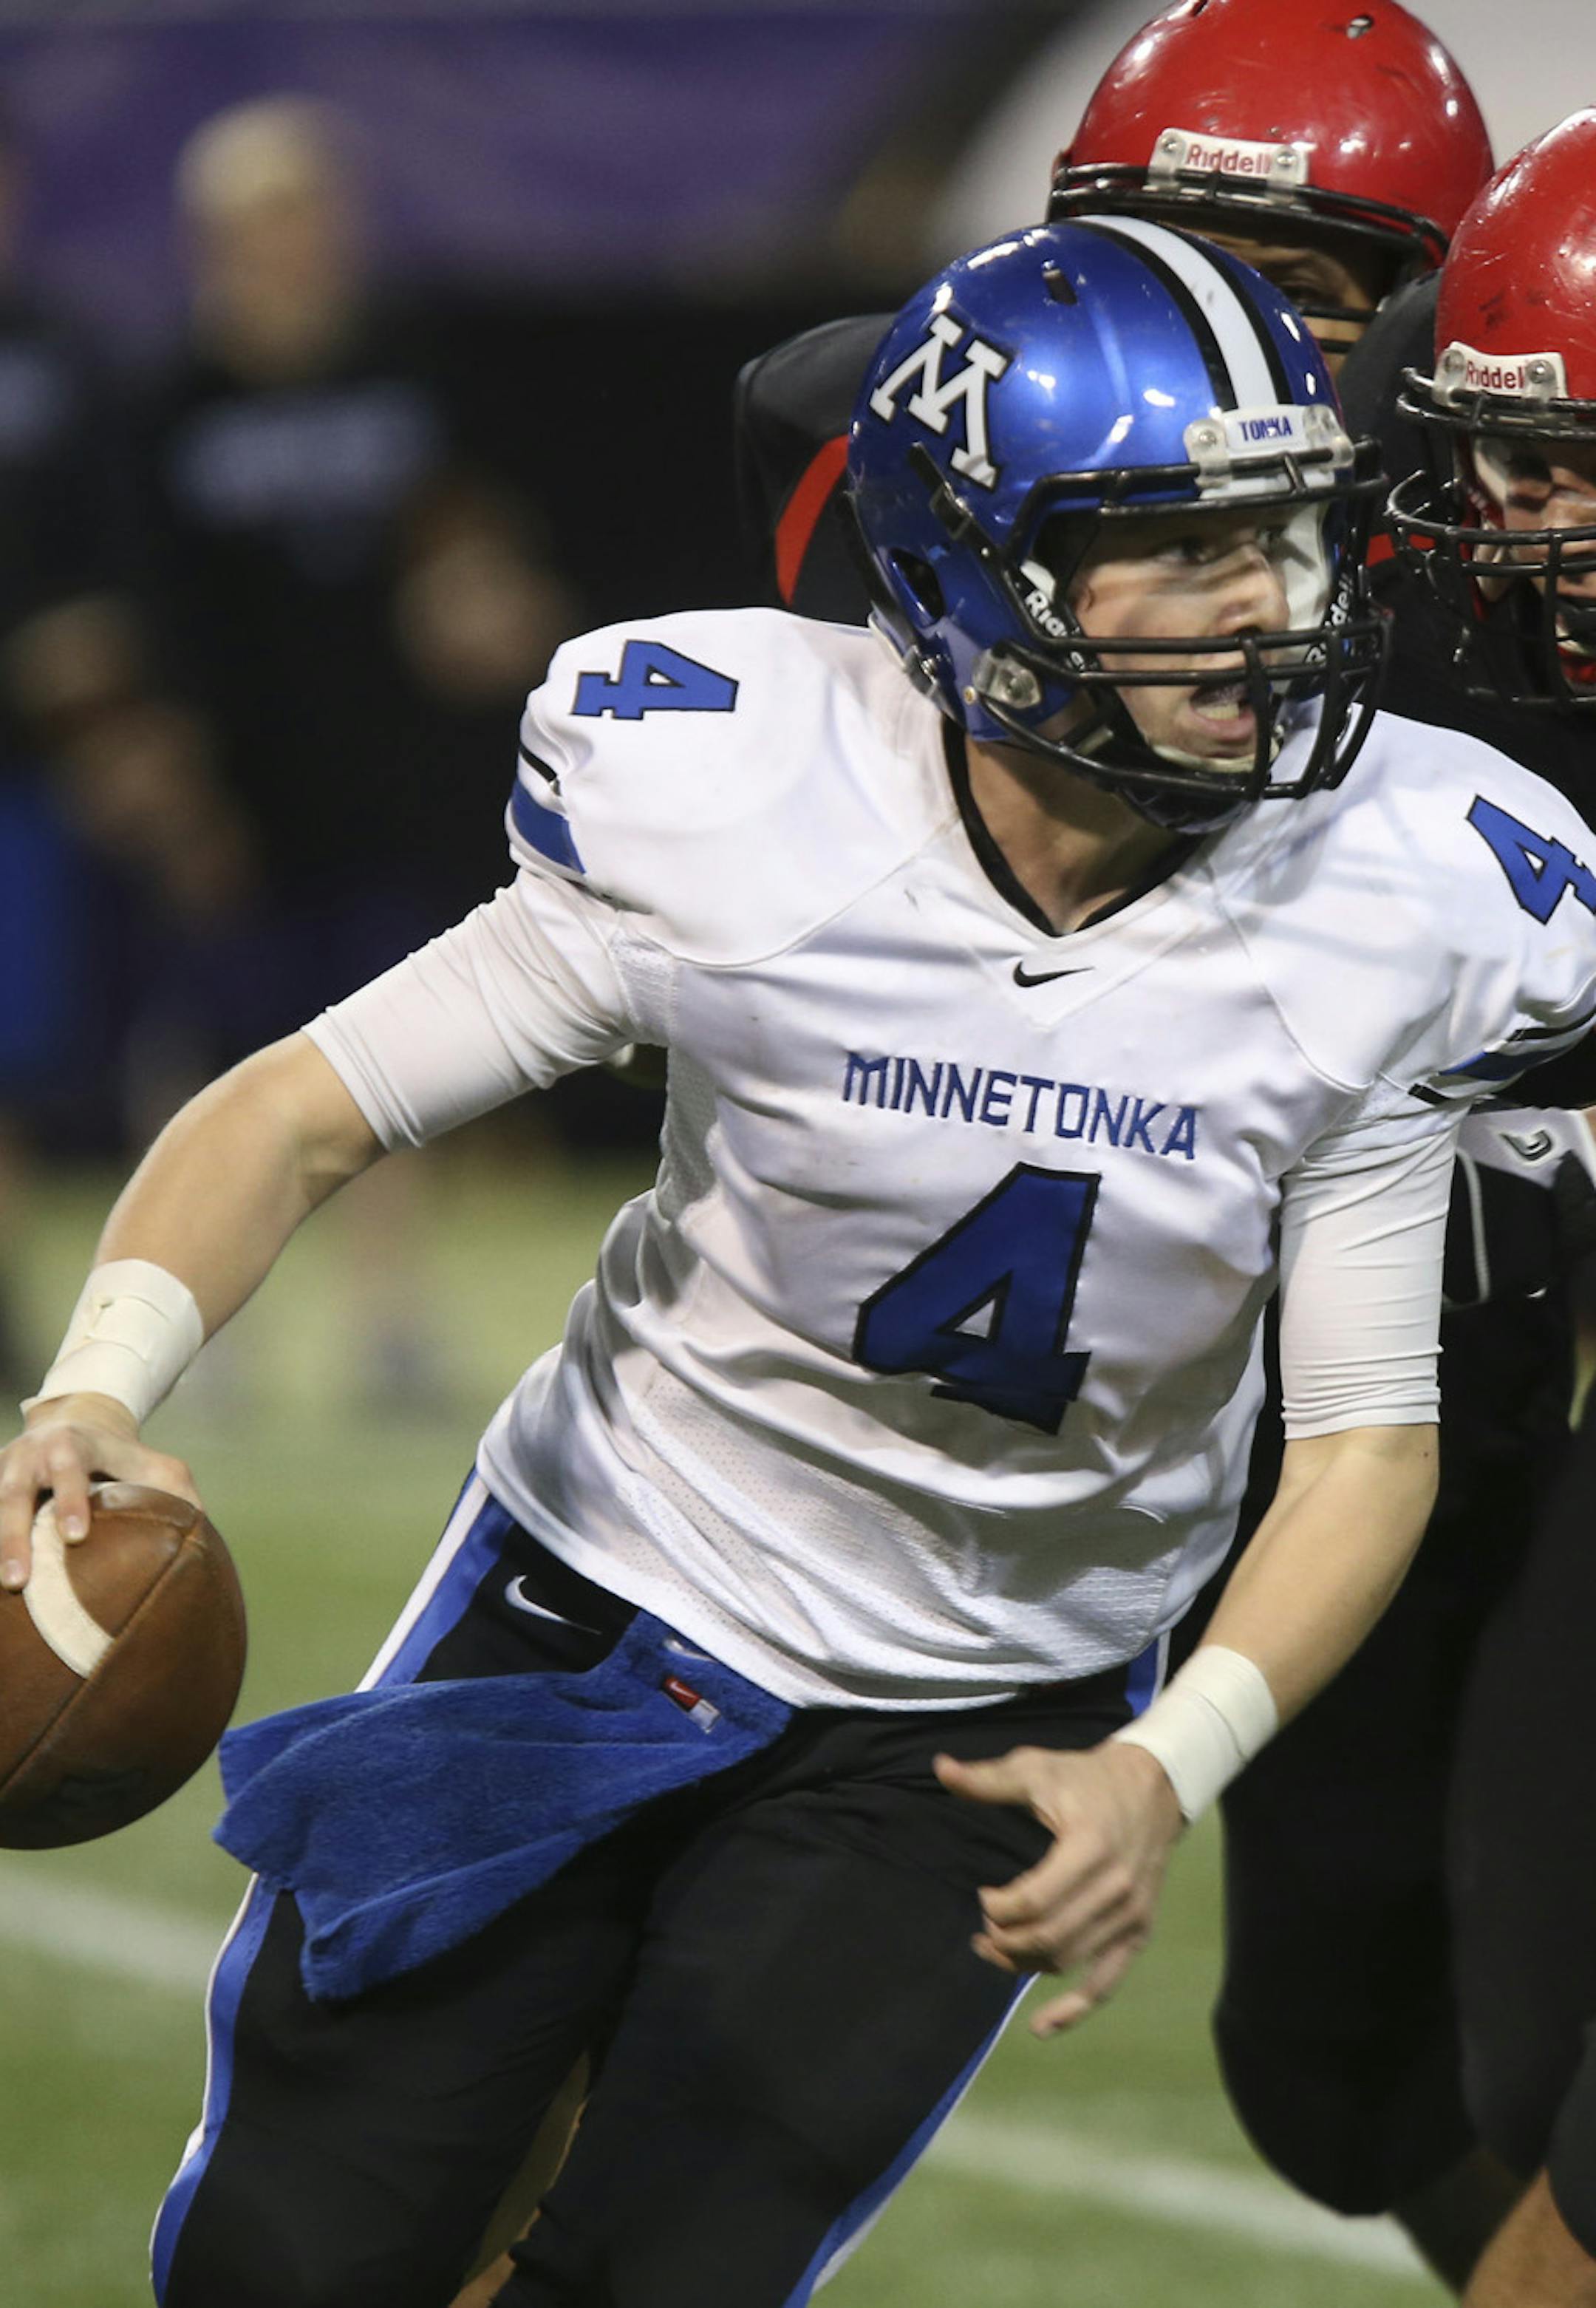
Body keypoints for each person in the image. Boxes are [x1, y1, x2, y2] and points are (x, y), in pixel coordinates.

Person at [4, 219, 1590, 2308]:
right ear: (980, 569)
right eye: (1183, 550)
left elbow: (1364, 1448)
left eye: (1287, 542)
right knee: (297, 2266)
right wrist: (98, 1385)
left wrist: (1161, 1762)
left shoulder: (1409, 892)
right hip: (598, 1590)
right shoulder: (745, 784)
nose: (1272, 610)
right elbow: (303, 1104)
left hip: (975, 1715)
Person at [735, 3, 1552, 2285]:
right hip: (1047, 1388)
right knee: (1330, 2065)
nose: (1207, 336)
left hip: (1446, 1373)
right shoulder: (897, 442)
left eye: (1291, 289)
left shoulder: (1513, 532)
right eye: (1160, 251)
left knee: (1443, 2034)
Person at [737, 0, 1491, 627]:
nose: (1212, 338)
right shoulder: (876, 423)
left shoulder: (1505, 547)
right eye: (1155, 268)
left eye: (1291, 292)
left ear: (1420, 318)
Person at [1384, 111, 1596, 2308]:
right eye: (1501, 462)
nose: (1518, 522)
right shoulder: (1454, 651)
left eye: (1571, 466)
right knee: (1514, 2061)